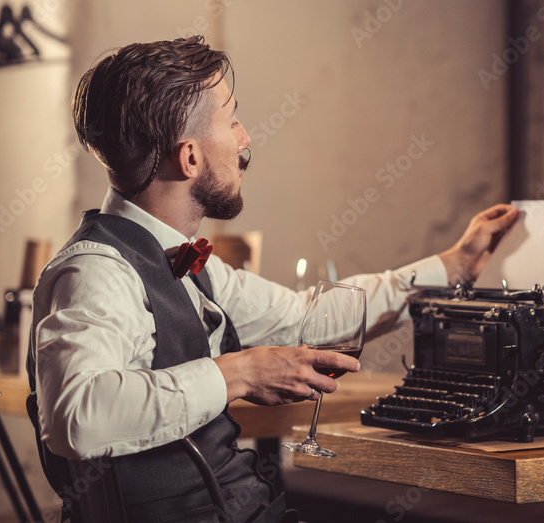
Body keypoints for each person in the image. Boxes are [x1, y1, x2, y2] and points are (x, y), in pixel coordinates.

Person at [28, 36, 518, 522]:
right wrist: (243, 372)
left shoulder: (180, 258)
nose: (245, 139)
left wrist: (450, 268)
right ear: (191, 157)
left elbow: (310, 316)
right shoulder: (96, 270)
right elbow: (77, 417)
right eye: (232, 119)